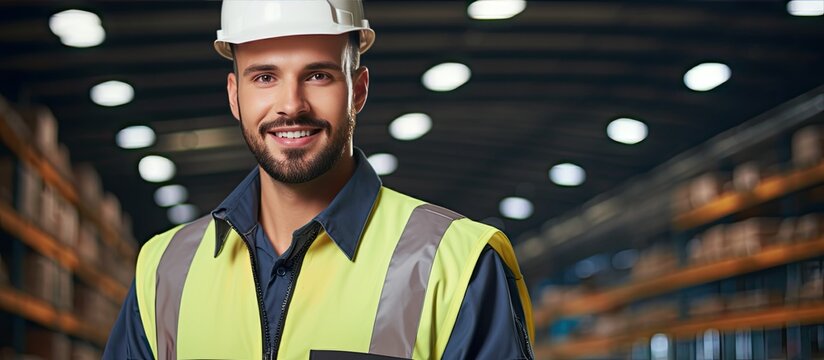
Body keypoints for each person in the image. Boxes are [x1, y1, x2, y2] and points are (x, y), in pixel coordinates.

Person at [103, 1, 534, 359]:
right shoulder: (163, 269)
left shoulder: (456, 263)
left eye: (318, 75)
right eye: (265, 77)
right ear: (235, 95)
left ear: (358, 90)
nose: (291, 105)